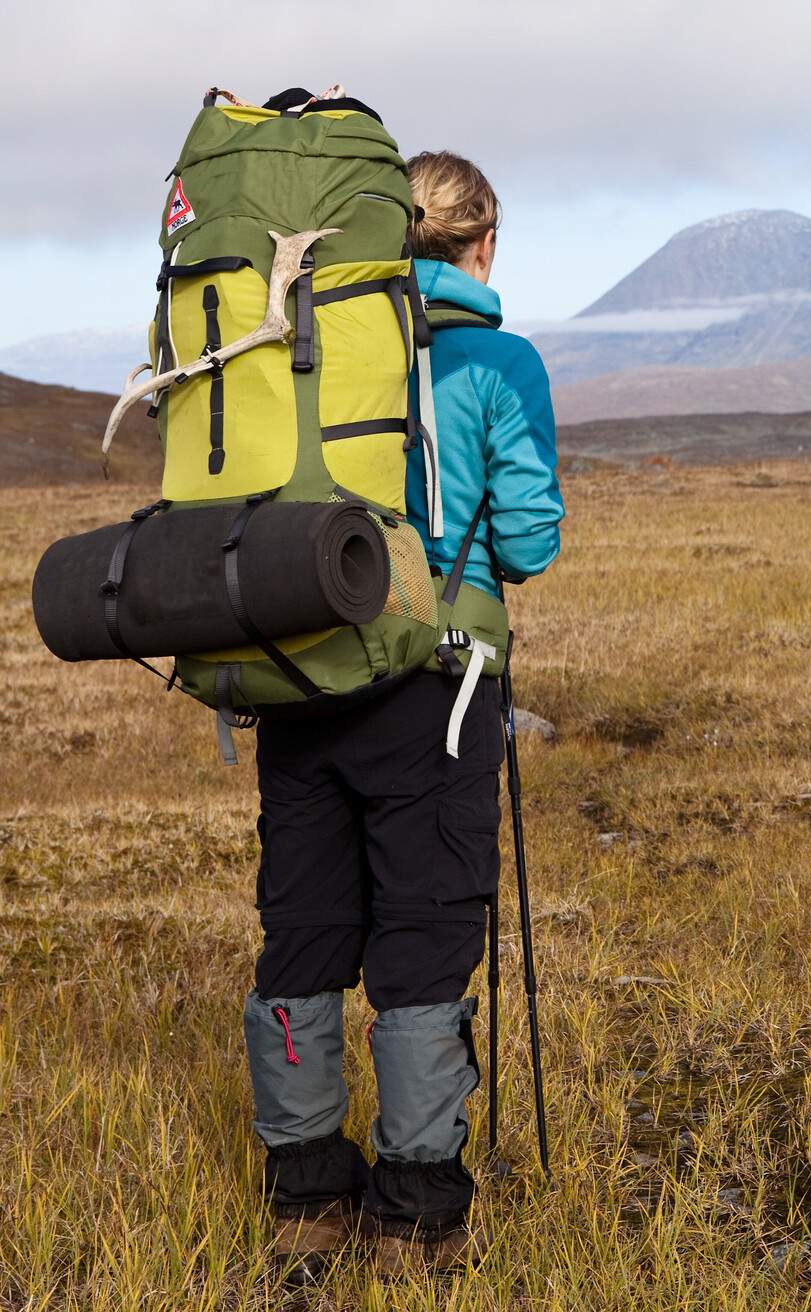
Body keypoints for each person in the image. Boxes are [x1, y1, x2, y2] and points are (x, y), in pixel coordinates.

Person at [243, 150, 565, 1284]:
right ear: (483, 245)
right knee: (424, 949)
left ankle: (303, 1206)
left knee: (306, 932)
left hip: (299, 682)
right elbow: (527, 541)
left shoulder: (310, 349)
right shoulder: (498, 361)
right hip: (437, 694)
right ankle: (416, 1219)